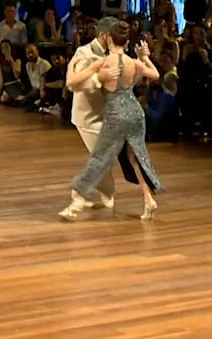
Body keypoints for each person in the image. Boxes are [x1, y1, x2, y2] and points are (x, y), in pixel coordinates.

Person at [62, 21, 165, 221]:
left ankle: (77, 203)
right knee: (136, 157)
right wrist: (145, 57)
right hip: (135, 112)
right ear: (127, 43)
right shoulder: (133, 63)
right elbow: (155, 75)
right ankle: (148, 199)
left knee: (99, 158)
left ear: (109, 39)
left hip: (116, 115)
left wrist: (70, 67)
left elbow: (72, 82)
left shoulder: (103, 62)